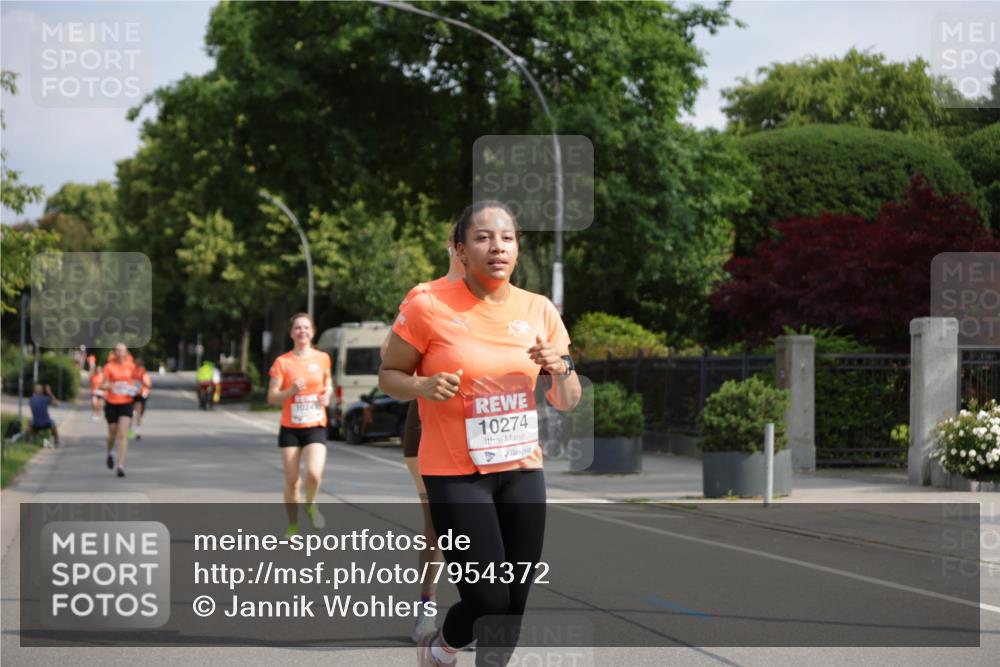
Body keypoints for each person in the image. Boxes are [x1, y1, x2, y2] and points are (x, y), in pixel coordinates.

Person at [379, 202, 582, 667]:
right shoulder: (428, 304)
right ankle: (441, 648)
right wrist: (422, 386)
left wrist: (561, 367)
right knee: (488, 597)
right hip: (455, 474)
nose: (497, 247)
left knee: (515, 599)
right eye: (483, 238)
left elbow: (566, 399)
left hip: (522, 470)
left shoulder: (539, 310)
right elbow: (389, 375)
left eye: (507, 238)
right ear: (460, 250)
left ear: (517, 249)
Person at [380, 230, 464, 643]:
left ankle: (476, 608)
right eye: (469, 240)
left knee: (490, 522)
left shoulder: (502, 301)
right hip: (428, 423)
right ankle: (427, 606)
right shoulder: (424, 296)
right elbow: (388, 357)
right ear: (453, 247)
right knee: (439, 520)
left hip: (482, 431)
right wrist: (425, 379)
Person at [267, 312, 333, 538]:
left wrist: (328, 394)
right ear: (291, 333)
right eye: (297, 328)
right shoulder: (282, 362)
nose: (302, 331)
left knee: (313, 474)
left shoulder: (322, 358)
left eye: (306, 327)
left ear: (312, 332)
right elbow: (272, 397)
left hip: (315, 425)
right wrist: (291, 391)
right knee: (292, 481)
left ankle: (311, 503)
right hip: (290, 428)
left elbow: (328, 383)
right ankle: (293, 526)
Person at [102, 343, 139, 477]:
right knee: (112, 433)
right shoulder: (109, 366)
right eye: (117, 350)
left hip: (126, 402)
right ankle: (110, 452)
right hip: (111, 402)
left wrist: (134, 389)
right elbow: (103, 384)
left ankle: (120, 465)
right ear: (114, 353)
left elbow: (136, 383)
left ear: (126, 352)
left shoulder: (131, 366)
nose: (120, 353)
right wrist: (112, 385)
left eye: (122, 351)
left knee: (123, 434)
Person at [131, 359, 152, 439]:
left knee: (137, 414)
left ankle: (135, 431)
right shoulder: (133, 371)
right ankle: (136, 431)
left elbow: (148, 383)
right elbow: (148, 384)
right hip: (135, 394)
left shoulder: (142, 372)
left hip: (139, 394)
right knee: (137, 413)